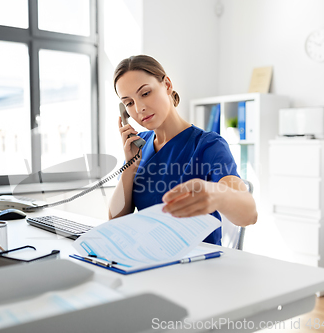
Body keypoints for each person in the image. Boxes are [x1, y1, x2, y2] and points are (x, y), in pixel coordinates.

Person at [108, 55, 257, 245]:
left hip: (198, 265)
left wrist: (217, 195)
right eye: (128, 103)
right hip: (152, 259)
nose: (139, 108)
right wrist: (129, 166)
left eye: (145, 93)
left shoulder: (208, 146)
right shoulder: (138, 146)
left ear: (167, 85)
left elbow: (249, 214)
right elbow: (115, 223)